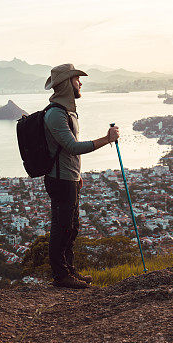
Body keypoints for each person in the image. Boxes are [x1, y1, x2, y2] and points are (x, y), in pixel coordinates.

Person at [43, 63, 119, 289]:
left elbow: (68, 154)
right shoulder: (56, 114)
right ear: (67, 84)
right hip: (60, 180)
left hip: (70, 178)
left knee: (72, 226)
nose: (80, 83)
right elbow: (72, 147)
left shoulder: (67, 112)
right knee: (62, 227)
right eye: (77, 79)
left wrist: (78, 175)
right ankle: (60, 276)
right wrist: (107, 139)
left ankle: (69, 271)